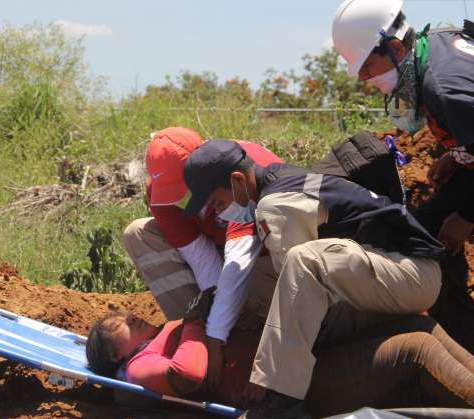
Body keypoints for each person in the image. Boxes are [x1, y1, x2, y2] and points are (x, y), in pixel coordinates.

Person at [180, 139, 444, 418]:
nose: (219, 213)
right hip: (402, 268)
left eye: (219, 202)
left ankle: (280, 395)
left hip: (412, 275)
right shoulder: (281, 176)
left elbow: (296, 289)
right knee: (269, 273)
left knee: (302, 263)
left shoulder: (274, 204)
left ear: (237, 180)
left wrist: (266, 374)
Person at [332, 0, 474, 351]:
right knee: (422, 228)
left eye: (367, 67)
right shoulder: (438, 43)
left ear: (395, 48)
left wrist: (466, 217)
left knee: (443, 227)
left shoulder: (442, 88)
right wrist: (456, 158)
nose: (365, 80)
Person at [122, 127, 281, 391]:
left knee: (252, 278)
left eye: (181, 186)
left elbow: (238, 261)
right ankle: (193, 340)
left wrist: (218, 336)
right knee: (138, 233)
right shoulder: (161, 191)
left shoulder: (236, 172)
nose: (178, 196)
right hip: (224, 254)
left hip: (268, 258)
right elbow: (202, 260)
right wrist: (211, 326)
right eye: (169, 188)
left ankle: (266, 338)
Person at [85, 311, 474, 417]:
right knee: (415, 350)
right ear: (115, 356)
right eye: (111, 329)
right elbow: (188, 374)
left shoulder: (161, 337)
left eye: (117, 314)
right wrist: (191, 321)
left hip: (298, 359)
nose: (121, 318)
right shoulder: (138, 368)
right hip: (290, 389)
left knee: (417, 324)